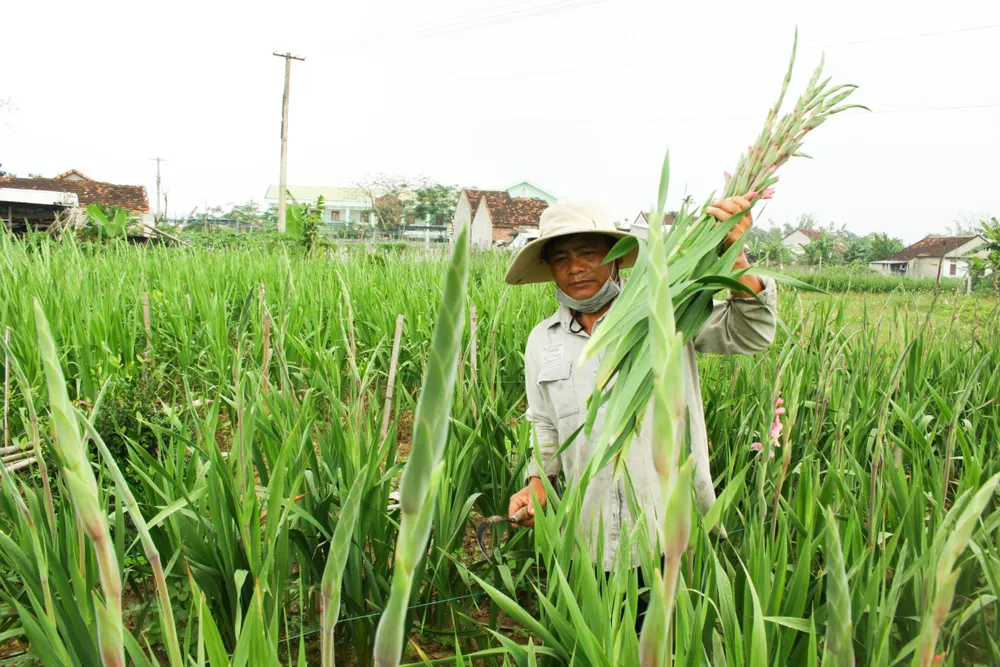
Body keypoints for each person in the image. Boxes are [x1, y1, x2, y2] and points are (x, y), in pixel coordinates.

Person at [505, 198, 777, 574]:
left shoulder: (664, 311)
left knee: (670, 633)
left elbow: (751, 334)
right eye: (561, 258)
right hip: (586, 540)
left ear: (616, 258)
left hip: (669, 533)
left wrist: (735, 256)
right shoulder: (542, 341)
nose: (575, 268)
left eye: (588, 252)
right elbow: (544, 424)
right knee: (596, 633)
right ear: (549, 268)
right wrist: (538, 482)